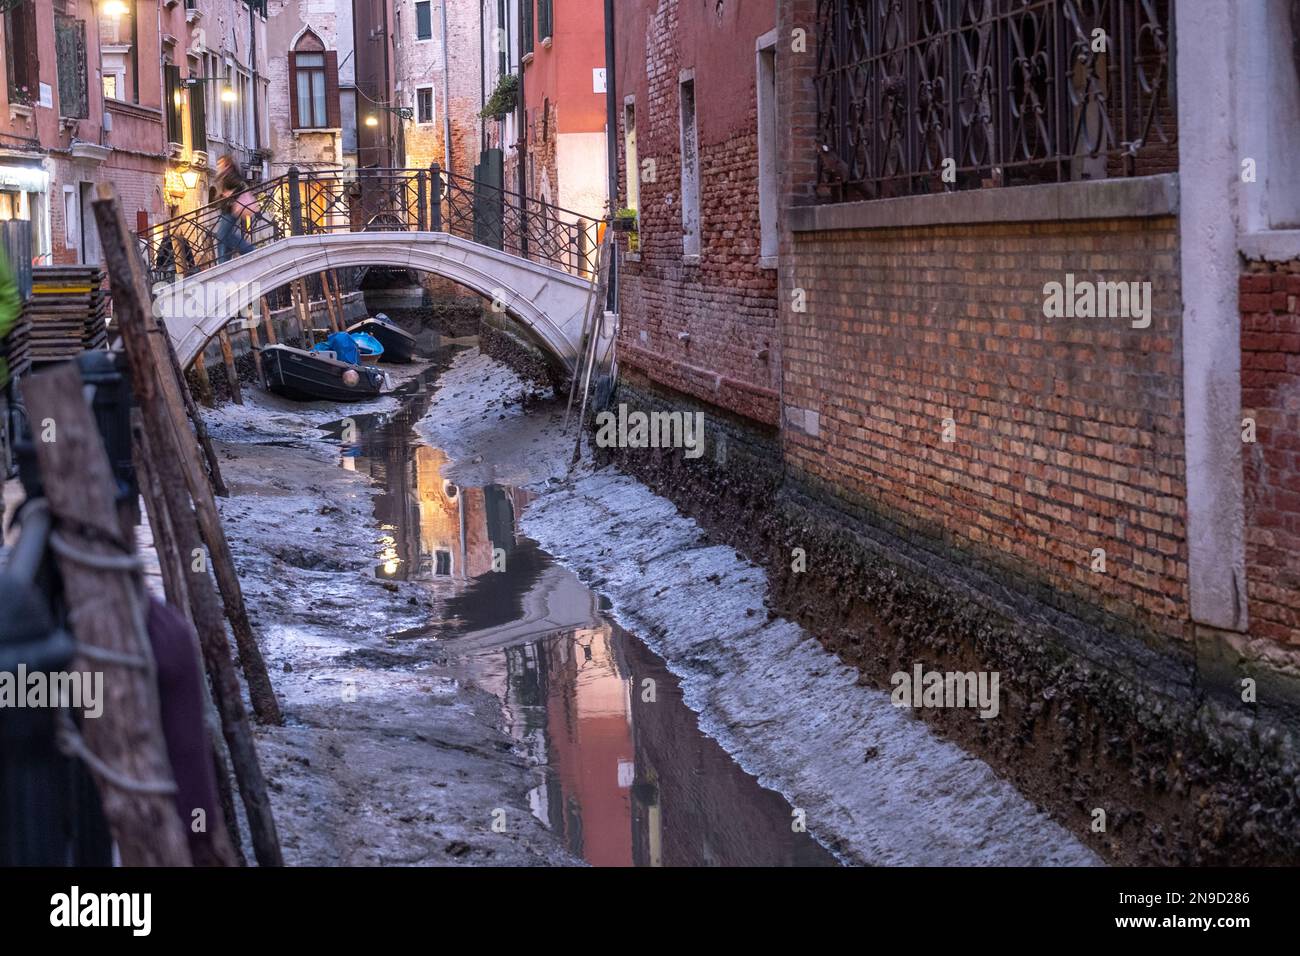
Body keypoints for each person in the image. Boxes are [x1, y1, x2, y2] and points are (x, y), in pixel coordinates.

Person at [215, 156, 257, 262]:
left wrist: (230, 195)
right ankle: (224, 262)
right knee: (225, 236)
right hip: (228, 210)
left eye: (220, 163)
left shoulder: (230, 176)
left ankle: (249, 250)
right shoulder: (226, 176)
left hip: (230, 211)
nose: (218, 166)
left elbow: (240, 186)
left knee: (222, 236)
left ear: (227, 165)